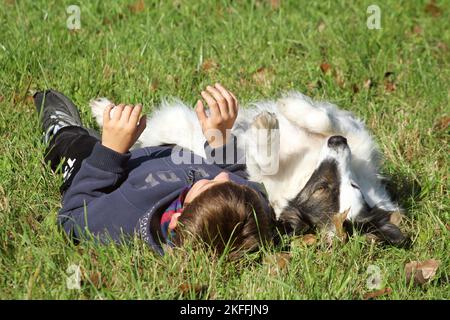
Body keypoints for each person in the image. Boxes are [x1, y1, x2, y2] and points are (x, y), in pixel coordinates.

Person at [35, 84, 273, 260]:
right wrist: (219, 136)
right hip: (166, 151)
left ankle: (62, 130)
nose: (222, 176)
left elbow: (72, 218)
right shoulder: (249, 213)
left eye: (210, 185)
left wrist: (110, 151)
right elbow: (237, 175)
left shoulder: (121, 221)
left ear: (177, 218)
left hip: (104, 168)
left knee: (77, 146)